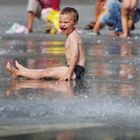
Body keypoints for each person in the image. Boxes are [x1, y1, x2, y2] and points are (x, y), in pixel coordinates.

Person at [6, 7, 86, 81]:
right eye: (60, 22)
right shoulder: (72, 35)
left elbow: (75, 55)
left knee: (46, 73)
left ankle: (18, 73)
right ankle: (25, 70)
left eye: (66, 22)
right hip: (74, 69)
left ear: (75, 23)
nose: (62, 24)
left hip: (76, 71)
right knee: (47, 70)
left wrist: (68, 74)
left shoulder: (73, 36)